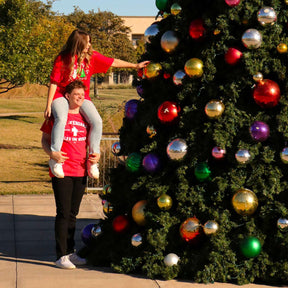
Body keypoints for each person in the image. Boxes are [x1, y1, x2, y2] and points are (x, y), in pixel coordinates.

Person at [44, 29, 149, 179]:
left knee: (97, 121)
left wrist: (135, 66)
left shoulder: (92, 57)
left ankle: (93, 161)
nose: (89, 45)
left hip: (82, 96)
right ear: (77, 44)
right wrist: (48, 105)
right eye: (86, 43)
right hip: (61, 94)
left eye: (89, 42)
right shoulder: (63, 58)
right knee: (61, 118)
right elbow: (54, 82)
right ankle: (56, 159)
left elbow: (112, 62)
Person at [41, 80, 97, 269]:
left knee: (73, 213)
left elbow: (91, 140)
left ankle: (70, 252)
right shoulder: (58, 116)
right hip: (63, 170)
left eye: (82, 94)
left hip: (80, 170)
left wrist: (94, 156)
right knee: (63, 213)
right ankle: (61, 255)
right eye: (76, 95)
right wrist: (52, 154)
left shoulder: (86, 117)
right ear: (67, 96)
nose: (80, 97)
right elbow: (45, 139)